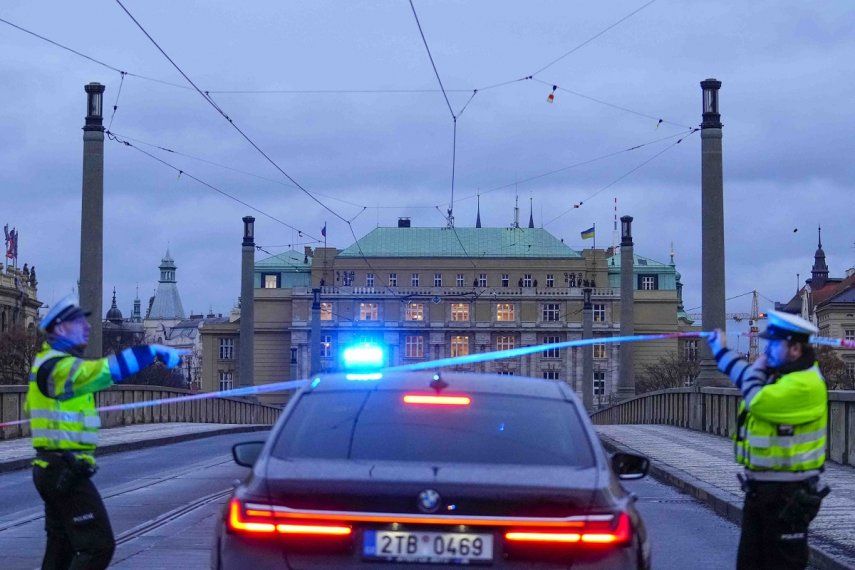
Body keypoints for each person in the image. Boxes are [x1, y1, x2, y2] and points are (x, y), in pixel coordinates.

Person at [25, 295, 186, 569]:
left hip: (53, 468)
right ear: (60, 329)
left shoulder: (48, 364)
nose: (87, 328)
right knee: (98, 546)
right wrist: (153, 352)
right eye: (79, 323)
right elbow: (105, 371)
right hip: (63, 470)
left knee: (61, 548)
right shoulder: (58, 369)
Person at [705, 310, 829, 570]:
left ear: (794, 349)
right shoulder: (782, 375)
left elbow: (756, 398)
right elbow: (745, 377)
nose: (766, 350)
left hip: (789, 495)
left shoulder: (804, 384)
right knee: (750, 564)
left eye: (773, 344)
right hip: (763, 490)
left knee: (781, 565)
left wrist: (757, 366)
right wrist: (721, 351)